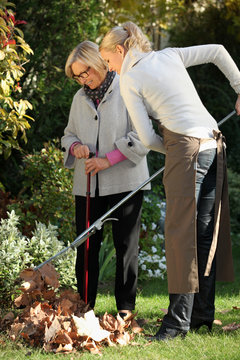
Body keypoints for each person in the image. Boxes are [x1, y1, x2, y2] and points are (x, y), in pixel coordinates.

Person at [100, 21, 240, 340]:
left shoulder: (130, 78)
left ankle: (177, 324)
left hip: (186, 149)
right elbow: (217, 51)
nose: (111, 69)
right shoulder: (170, 54)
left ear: (120, 51)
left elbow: (148, 138)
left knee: (179, 236)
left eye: (109, 62)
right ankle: (201, 314)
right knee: (202, 232)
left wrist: (174, 151)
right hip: (213, 143)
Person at [61, 40, 150, 317]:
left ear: (98, 62)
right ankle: (84, 308)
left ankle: (125, 310)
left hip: (126, 182)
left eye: (85, 71)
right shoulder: (79, 99)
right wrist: (75, 147)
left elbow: (142, 137)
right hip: (87, 186)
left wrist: (107, 159)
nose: (83, 79)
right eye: (77, 75)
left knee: (126, 247)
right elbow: (68, 135)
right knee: (86, 247)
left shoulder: (128, 87)